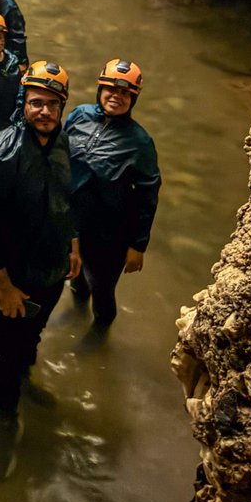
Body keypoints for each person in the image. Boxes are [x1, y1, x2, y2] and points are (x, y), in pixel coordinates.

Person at [0, 61, 80, 415]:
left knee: (31, 338)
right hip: (12, 274)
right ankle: (1, 403)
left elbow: (67, 198)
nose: (44, 111)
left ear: (62, 106)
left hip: (52, 267)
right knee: (6, 346)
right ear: (23, 104)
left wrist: (73, 245)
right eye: (36, 103)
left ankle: (23, 378)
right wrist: (1, 283)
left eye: (52, 104)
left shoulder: (65, 144)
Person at [65, 59, 161, 327]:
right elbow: (57, 157)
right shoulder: (78, 116)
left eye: (125, 93)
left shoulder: (139, 142)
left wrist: (137, 245)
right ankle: (77, 308)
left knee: (103, 288)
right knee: (75, 273)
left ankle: (100, 332)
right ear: (100, 89)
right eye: (111, 89)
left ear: (133, 98)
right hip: (73, 222)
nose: (116, 97)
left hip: (110, 234)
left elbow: (148, 195)